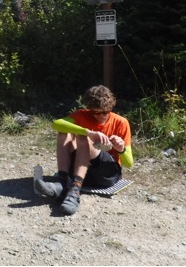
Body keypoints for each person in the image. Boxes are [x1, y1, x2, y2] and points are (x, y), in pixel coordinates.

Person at [34, 85, 133, 215]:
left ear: (111, 108)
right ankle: (63, 181)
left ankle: (74, 190)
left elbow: (129, 163)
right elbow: (56, 124)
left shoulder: (121, 122)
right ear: (89, 109)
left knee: (83, 138)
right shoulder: (82, 115)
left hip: (107, 174)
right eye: (96, 113)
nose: (101, 116)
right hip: (82, 171)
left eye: (105, 112)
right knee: (65, 133)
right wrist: (88, 132)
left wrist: (121, 149)